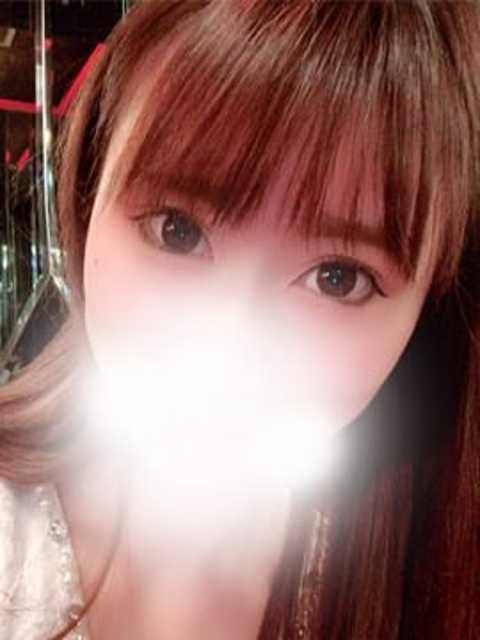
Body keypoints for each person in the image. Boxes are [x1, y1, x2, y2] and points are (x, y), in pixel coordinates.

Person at [1, 0, 479, 638]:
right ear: (88, 200)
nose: (229, 343)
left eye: (338, 278)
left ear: (427, 317)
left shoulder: (429, 577)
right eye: (177, 230)